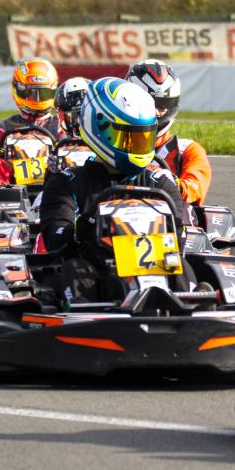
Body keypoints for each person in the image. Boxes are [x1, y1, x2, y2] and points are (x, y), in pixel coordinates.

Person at [40, 77, 187, 305]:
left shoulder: (160, 183)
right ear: (99, 128)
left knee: (183, 264)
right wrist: (84, 229)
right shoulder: (67, 183)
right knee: (75, 269)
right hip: (98, 277)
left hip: (158, 272)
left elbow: (180, 236)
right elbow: (55, 239)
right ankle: (83, 316)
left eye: (142, 137)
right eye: (128, 138)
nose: (137, 146)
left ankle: (194, 309)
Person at [125, 59, 212, 205]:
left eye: (162, 106)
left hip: (168, 216)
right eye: (148, 104)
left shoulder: (187, 151)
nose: (156, 113)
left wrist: (161, 179)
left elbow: (194, 189)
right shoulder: (112, 145)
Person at [0, 58, 61, 166]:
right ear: (17, 89)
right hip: (14, 175)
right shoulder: (2, 128)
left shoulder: (60, 127)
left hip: (54, 174)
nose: (37, 99)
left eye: (44, 93)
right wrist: (5, 155)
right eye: (31, 93)